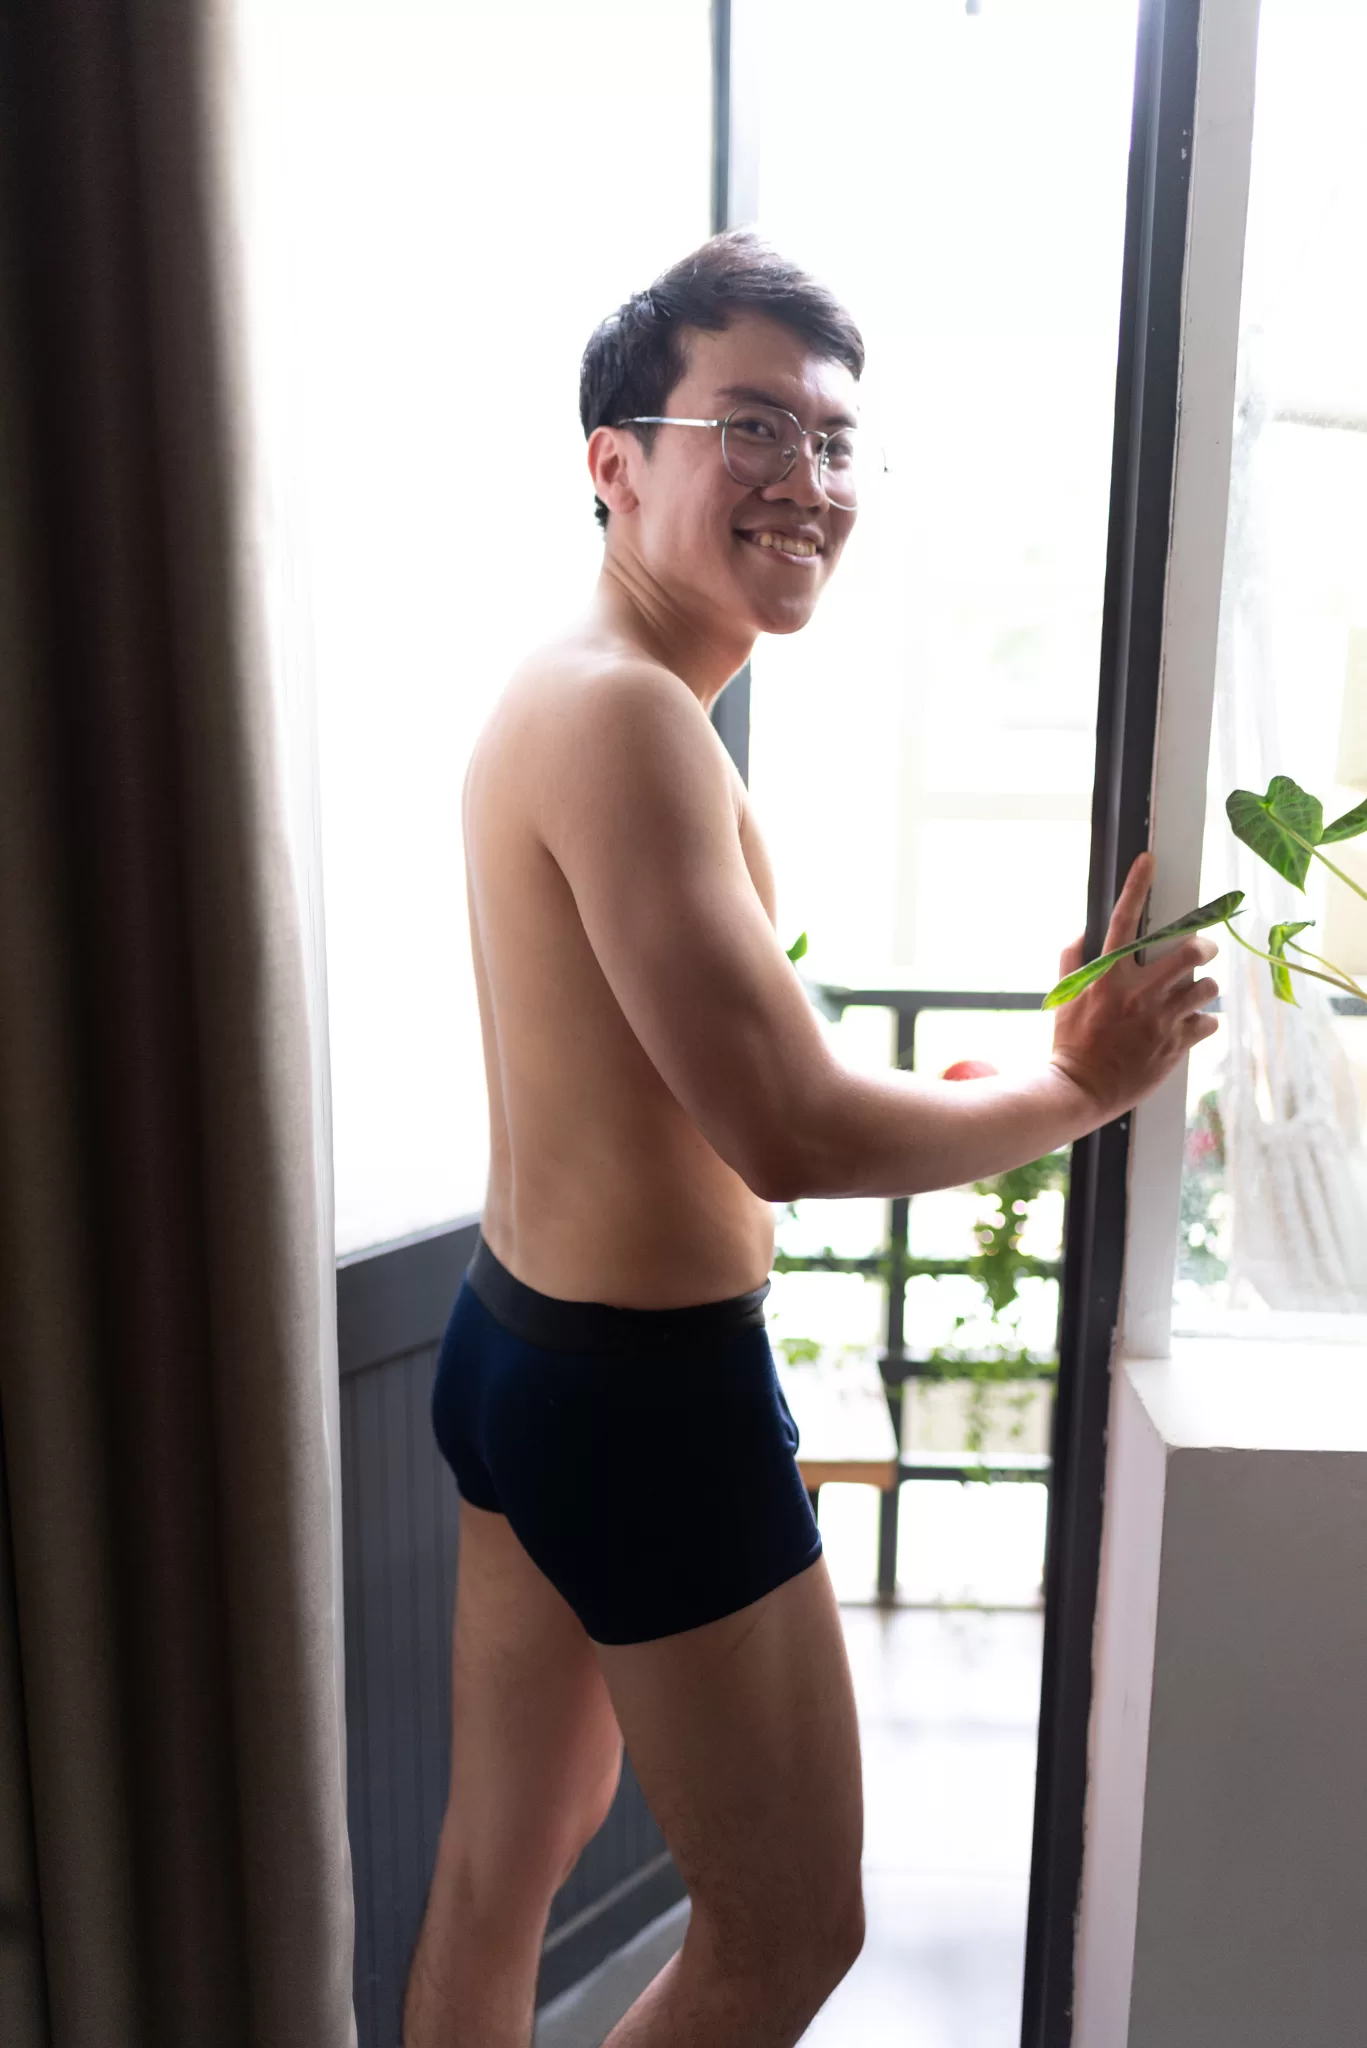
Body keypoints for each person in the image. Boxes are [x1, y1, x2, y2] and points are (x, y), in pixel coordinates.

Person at [401, 230, 1219, 2048]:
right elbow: (777, 1128)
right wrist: (1084, 1092)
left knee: (500, 1865)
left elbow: (710, 1084)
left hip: (515, 1342)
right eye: (750, 427)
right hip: (636, 1397)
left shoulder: (578, 693)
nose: (808, 481)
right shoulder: (626, 719)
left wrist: (1020, 1067)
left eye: (835, 442)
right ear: (613, 459)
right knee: (790, 1937)